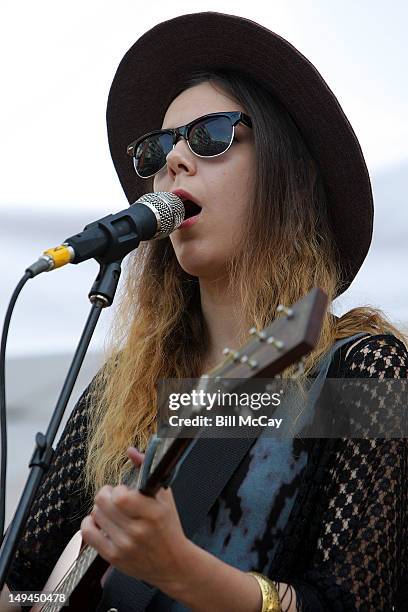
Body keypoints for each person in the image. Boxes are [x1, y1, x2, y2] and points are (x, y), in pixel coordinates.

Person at [5, 12, 408, 612]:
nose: (176, 162)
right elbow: (25, 576)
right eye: (159, 149)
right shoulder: (124, 388)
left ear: (288, 174)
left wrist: (179, 569)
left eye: (210, 136)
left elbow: (355, 603)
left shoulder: (364, 372)